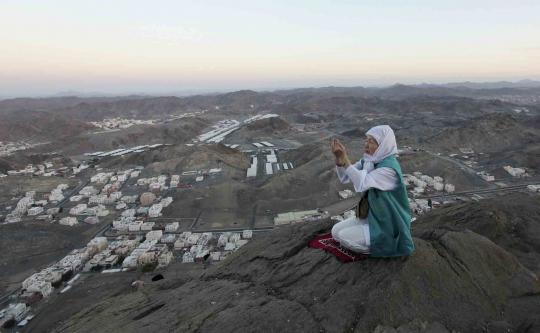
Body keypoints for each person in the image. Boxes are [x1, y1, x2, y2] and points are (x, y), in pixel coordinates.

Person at [330, 125, 414, 257]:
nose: (366, 145)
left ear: (383, 144)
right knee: (335, 232)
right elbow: (346, 176)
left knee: (344, 237)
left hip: (388, 222)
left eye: (371, 141)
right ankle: (367, 237)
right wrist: (340, 160)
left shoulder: (389, 169)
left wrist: (345, 159)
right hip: (372, 215)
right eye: (366, 140)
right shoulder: (370, 160)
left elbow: (362, 183)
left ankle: (379, 247)